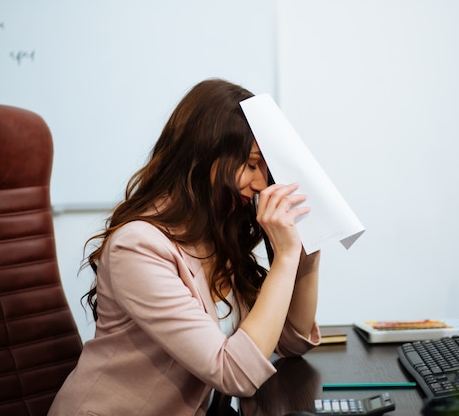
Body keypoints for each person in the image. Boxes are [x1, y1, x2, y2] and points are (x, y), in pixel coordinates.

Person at [47, 78, 321, 416]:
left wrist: (306, 259)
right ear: (203, 156)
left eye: (265, 168)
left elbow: (290, 343)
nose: (261, 183)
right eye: (251, 165)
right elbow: (235, 373)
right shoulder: (137, 247)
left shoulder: (217, 233)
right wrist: (285, 259)